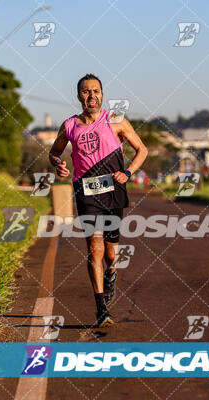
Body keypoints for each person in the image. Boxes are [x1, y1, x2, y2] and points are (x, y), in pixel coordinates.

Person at [49, 73, 148, 327]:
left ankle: (111, 273)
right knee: (95, 248)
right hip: (86, 192)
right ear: (78, 95)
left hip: (113, 190)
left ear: (102, 94)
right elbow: (54, 153)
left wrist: (128, 172)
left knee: (111, 253)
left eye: (95, 91)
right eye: (85, 91)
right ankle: (101, 308)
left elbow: (142, 150)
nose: (91, 95)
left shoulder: (116, 121)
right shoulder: (69, 126)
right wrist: (58, 165)